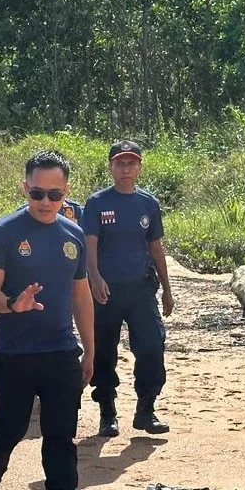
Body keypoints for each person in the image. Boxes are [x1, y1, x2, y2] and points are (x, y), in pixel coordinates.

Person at [0, 151, 101, 490]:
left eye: (55, 194)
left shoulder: (72, 234)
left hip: (62, 352)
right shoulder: (3, 232)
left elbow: (81, 296)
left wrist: (90, 350)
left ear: (67, 193)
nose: (46, 202)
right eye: (37, 193)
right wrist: (14, 303)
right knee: (7, 430)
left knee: (61, 436)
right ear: (24, 187)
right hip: (14, 354)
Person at [83, 140, 175, 437]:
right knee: (104, 352)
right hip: (105, 291)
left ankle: (146, 410)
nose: (125, 168)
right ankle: (107, 412)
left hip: (140, 290)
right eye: (120, 163)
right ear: (110, 167)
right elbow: (90, 245)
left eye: (131, 163)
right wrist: (94, 278)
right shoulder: (97, 203)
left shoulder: (148, 203)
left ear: (139, 167)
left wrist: (168, 289)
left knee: (151, 346)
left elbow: (156, 247)